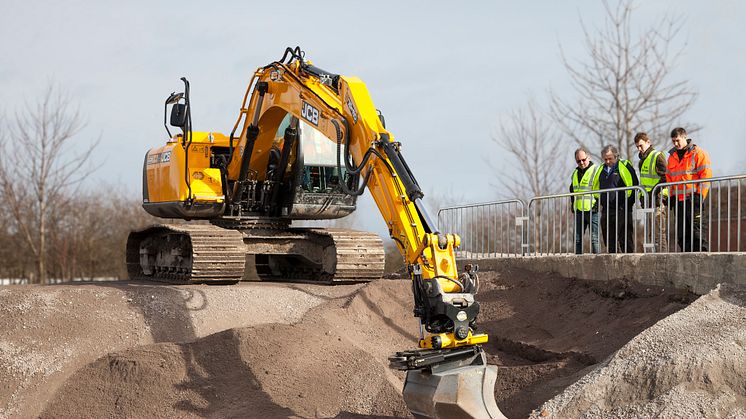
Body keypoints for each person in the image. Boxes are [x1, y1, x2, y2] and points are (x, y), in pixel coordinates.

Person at [667, 127, 712, 252]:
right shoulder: (671, 157)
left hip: (694, 199)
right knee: (682, 233)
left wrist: (700, 195)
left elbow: (706, 175)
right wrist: (671, 196)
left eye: (677, 140)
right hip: (679, 201)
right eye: (673, 141)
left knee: (697, 231)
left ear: (684, 137)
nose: (676, 144)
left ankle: (701, 258)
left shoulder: (698, 153)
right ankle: (685, 258)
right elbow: (669, 178)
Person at [598, 145, 639, 253]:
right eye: (605, 159)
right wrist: (600, 201)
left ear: (616, 156)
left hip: (622, 208)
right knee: (608, 238)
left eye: (610, 158)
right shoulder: (601, 169)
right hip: (607, 209)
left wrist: (628, 203)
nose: (607, 161)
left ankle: (629, 261)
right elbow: (595, 187)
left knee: (625, 237)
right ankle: (612, 262)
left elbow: (634, 184)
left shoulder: (624, 166)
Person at [634, 132, 669, 252]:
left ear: (648, 142)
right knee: (650, 233)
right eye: (637, 147)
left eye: (641, 145)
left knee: (659, 232)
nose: (639, 149)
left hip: (658, 200)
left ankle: (663, 257)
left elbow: (666, 176)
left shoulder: (657, 156)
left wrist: (656, 191)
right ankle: (652, 256)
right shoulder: (641, 161)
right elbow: (643, 182)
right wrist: (642, 197)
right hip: (647, 201)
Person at [569, 147, 601, 254]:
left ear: (589, 157)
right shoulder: (574, 173)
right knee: (577, 239)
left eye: (583, 159)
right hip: (579, 210)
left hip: (593, 209)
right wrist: (572, 204)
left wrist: (598, 203)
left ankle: (598, 262)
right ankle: (577, 263)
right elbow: (572, 189)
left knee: (594, 239)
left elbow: (601, 188)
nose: (581, 162)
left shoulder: (596, 170)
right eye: (578, 161)